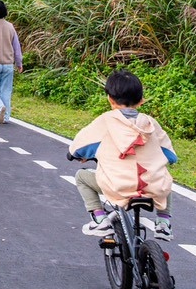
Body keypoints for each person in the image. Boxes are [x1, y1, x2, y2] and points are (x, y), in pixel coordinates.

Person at [68, 69, 178, 241]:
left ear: (110, 99)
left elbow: (77, 148)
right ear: (141, 100)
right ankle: (164, 222)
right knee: (164, 177)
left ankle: (100, 219)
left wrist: (77, 155)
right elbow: (170, 156)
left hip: (118, 186)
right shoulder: (151, 123)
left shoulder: (105, 121)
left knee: (82, 177)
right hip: (152, 189)